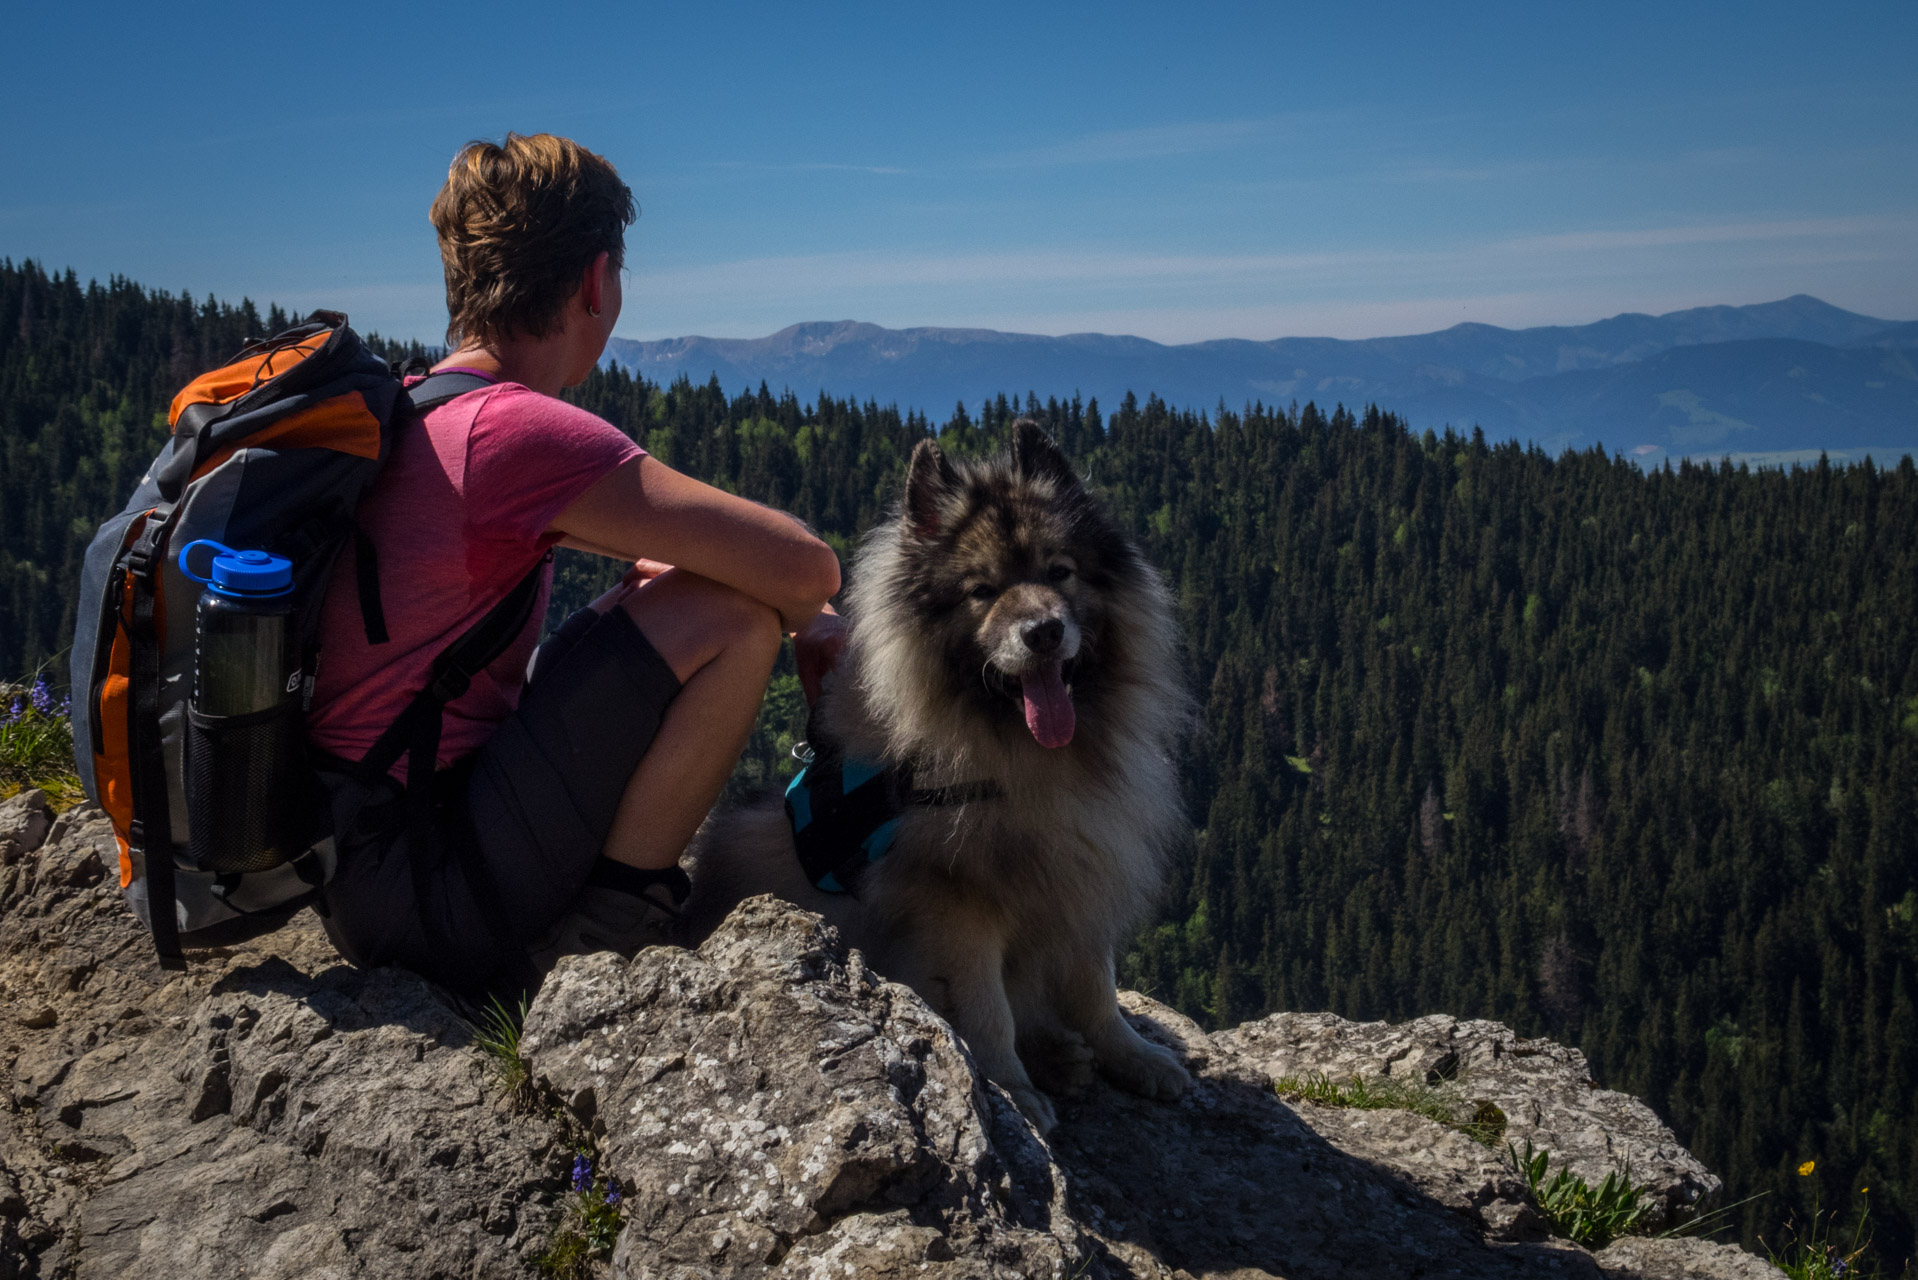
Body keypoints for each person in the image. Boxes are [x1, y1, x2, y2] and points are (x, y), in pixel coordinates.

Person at [306, 133, 843, 998]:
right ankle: (603, 939)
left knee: (702, 593)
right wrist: (797, 609)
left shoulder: (423, 409)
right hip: (434, 889)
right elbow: (808, 566)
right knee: (734, 620)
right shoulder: (518, 432)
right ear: (597, 280)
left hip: (366, 862)